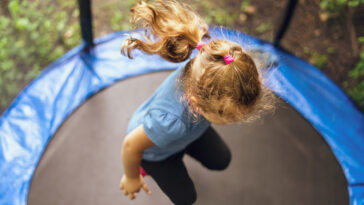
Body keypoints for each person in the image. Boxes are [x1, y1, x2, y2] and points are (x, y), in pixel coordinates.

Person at [119, 1, 275, 204]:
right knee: (186, 199)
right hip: (156, 152)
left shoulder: (216, 70)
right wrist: (131, 177)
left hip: (189, 132)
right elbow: (130, 145)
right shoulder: (167, 123)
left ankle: (183, 147)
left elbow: (244, 65)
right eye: (227, 117)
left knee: (221, 160)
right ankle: (145, 167)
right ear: (197, 104)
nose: (233, 120)